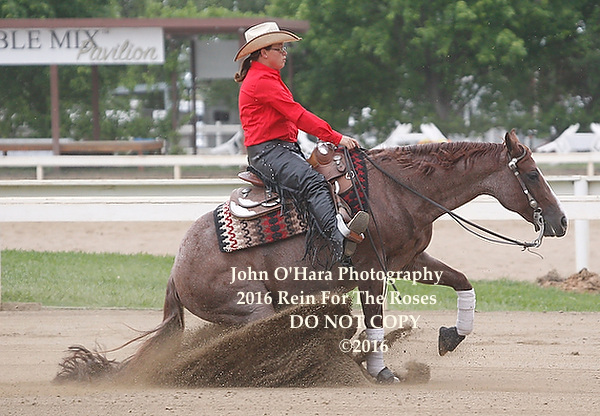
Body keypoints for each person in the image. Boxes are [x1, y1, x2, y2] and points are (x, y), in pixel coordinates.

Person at [233, 21, 368, 264]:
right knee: (314, 183)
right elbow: (298, 115)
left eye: (284, 48)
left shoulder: (266, 77)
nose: (285, 53)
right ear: (264, 52)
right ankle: (338, 242)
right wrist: (336, 137)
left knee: (324, 177)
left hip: (278, 151)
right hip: (269, 154)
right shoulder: (262, 81)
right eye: (280, 48)